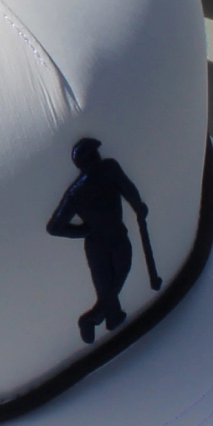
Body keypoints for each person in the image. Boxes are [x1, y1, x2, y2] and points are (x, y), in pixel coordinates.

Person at [47, 137, 151, 344]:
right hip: (113, 232)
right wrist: (138, 206)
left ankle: (112, 317)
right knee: (121, 269)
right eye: (94, 154)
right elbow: (127, 188)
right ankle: (96, 317)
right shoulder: (108, 169)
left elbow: (55, 227)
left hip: (94, 242)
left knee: (105, 282)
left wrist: (85, 230)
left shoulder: (75, 191)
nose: (98, 156)